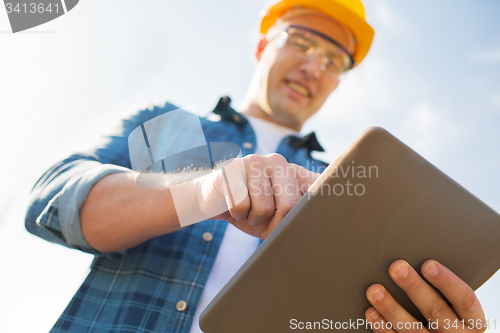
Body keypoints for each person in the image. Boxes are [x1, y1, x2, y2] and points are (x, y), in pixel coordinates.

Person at [25, 0, 487, 332]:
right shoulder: (171, 125)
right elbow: (54, 202)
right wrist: (202, 192)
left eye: (333, 61)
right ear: (263, 45)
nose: (313, 66)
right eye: (303, 42)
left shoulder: (342, 187)